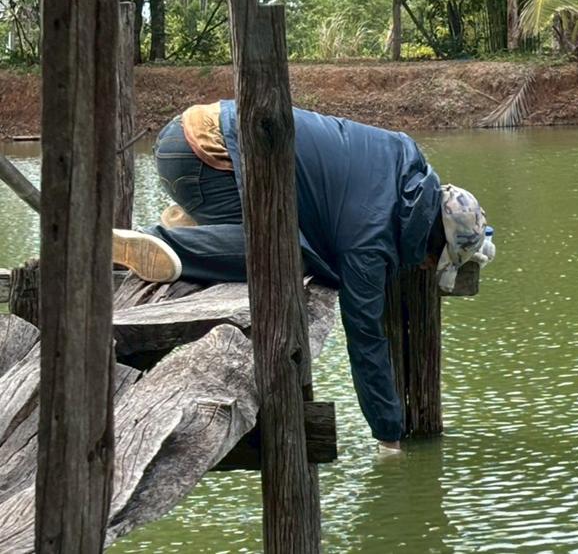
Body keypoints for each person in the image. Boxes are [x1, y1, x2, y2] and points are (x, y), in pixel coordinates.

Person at [111, 101, 489, 453]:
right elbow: (366, 339)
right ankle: (170, 245)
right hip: (208, 158)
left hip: (197, 139)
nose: (425, 268)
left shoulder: (405, 159)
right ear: (430, 238)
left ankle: (199, 222)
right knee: (287, 257)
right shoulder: (370, 240)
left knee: (300, 238)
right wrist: (388, 434)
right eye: (434, 260)